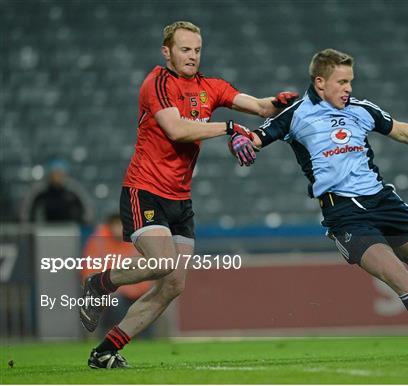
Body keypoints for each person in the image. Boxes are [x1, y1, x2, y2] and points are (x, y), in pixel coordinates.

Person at [233, 48, 408, 358]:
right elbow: (254, 137)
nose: (349, 88)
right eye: (342, 82)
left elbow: (400, 130)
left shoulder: (361, 109)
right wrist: (239, 140)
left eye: (351, 81)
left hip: (383, 201)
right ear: (320, 82)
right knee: (400, 279)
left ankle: (385, 249)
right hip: (345, 213)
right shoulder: (296, 114)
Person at [79, 20, 298, 369]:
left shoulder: (210, 86)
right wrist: (228, 127)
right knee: (162, 263)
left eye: (196, 50)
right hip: (144, 190)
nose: (192, 56)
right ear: (167, 51)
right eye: (184, 49)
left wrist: (280, 101)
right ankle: (100, 283)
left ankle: (106, 350)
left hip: (180, 199)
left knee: (172, 285)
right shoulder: (157, 82)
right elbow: (177, 129)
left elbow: (258, 107)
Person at [81, 214, 153, 337]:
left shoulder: (138, 240)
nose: (119, 228)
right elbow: (89, 271)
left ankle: (144, 341)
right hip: (112, 294)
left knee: (150, 304)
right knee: (116, 303)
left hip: (139, 292)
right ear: (109, 226)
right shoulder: (98, 241)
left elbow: (148, 271)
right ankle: (113, 339)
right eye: (116, 224)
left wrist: (133, 289)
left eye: (122, 224)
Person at [20, 158, 93, 225]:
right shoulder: (40, 189)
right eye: (55, 173)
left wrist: (84, 222)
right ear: (50, 174)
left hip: (69, 229)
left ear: (65, 174)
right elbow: (27, 208)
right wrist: (28, 224)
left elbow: (86, 207)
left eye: (60, 173)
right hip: (45, 230)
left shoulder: (73, 189)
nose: (57, 176)